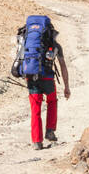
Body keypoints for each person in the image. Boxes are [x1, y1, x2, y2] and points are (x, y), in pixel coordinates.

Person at [27, 21, 71, 150]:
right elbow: (63, 66)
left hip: (32, 78)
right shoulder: (55, 45)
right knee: (52, 102)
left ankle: (36, 141)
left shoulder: (29, 43)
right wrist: (66, 86)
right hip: (48, 79)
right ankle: (50, 131)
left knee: (35, 109)